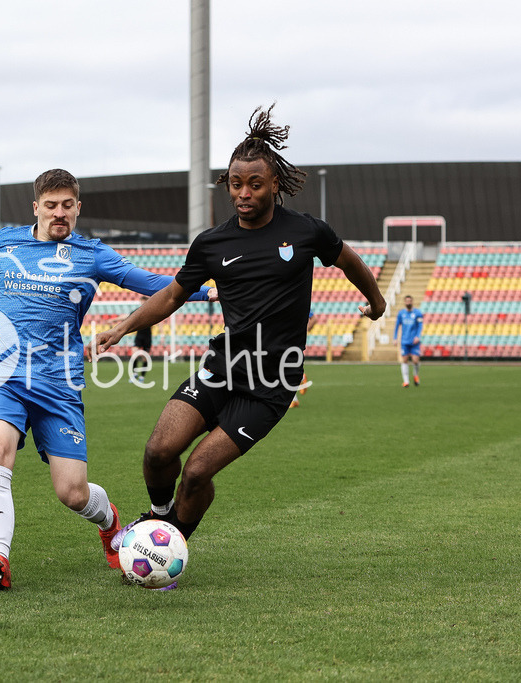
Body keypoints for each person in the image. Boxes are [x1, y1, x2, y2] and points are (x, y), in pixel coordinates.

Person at [96, 105, 386, 588]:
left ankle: (166, 548)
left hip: (272, 382)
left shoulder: (306, 232)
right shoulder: (212, 243)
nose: (243, 193)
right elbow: (172, 294)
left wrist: (375, 302)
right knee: (158, 451)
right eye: (235, 183)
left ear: (275, 184)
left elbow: (350, 260)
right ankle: (158, 517)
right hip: (223, 365)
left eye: (254, 183)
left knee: (198, 472)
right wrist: (124, 327)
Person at [0, 168, 212, 590]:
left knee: (73, 493)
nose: (59, 213)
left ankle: (110, 521)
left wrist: (208, 291)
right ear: (36, 207)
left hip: (59, 384)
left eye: (67, 206)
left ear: (78, 208)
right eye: (51, 205)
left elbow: (151, 284)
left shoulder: (92, 254)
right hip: (1, 375)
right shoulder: (6, 242)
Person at [289, 310, 318, 407]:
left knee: (284, 366)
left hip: (290, 339)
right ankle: (293, 399)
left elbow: (314, 318)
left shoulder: (294, 300)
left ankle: (293, 399)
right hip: (281, 338)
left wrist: (304, 332)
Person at [393, 295, 423, 387]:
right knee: (405, 360)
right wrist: (395, 338)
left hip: (414, 341)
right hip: (404, 341)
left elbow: (420, 326)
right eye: (407, 301)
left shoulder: (417, 313)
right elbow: (397, 326)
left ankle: (415, 375)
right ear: (405, 302)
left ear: (412, 302)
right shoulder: (401, 313)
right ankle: (406, 381)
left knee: (415, 360)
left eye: (410, 301)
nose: (408, 302)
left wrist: (418, 336)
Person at [127, 295, 152, 383]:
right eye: (141, 301)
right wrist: (113, 320)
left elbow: (159, 323)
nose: (142, 303)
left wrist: (162, 335)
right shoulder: (137, 311)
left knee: (145, 358)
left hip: (147, 337)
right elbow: (127, 318)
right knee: (135, 355)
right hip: (139, 336)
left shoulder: (152, 312)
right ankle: (134, 374)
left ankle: (142, 376)